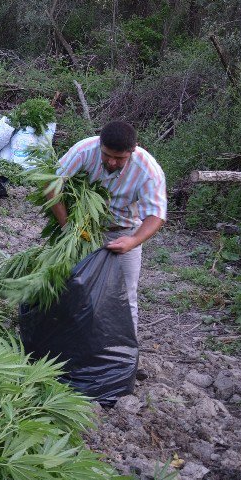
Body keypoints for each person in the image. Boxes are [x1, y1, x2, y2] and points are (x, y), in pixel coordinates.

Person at [50, 121, 167, 334]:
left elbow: (156, 214)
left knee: (124, 294)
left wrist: (133, 241)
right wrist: (67, 226)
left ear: (133, 150)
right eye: (106, 155)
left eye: (119, 158)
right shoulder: (84, 151)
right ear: (99, 145)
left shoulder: (148, 170)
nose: (112, 162)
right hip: (81, 229)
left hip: (123, 231)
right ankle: (72, 340)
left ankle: (122, 354)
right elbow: (52, 184)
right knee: (73, 285)